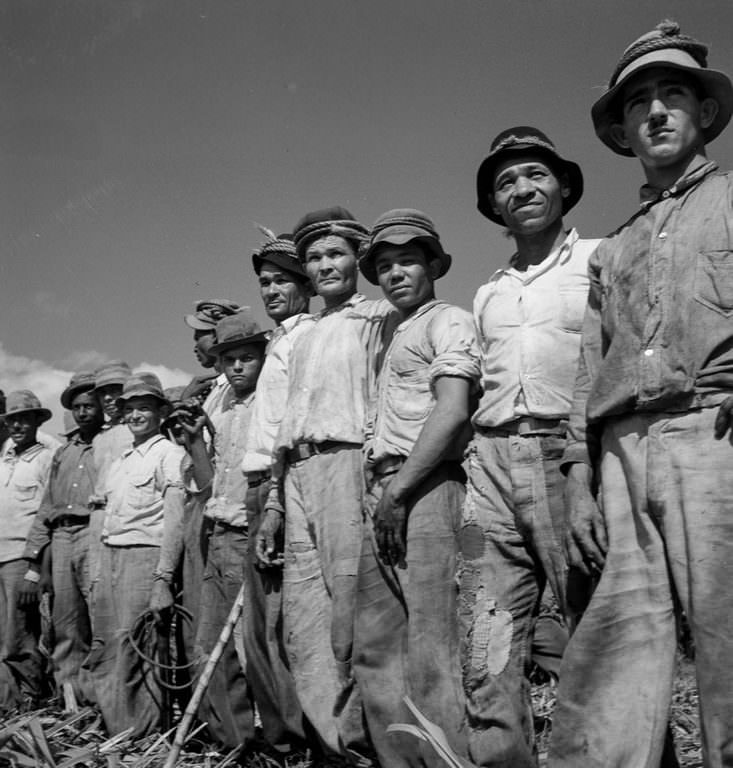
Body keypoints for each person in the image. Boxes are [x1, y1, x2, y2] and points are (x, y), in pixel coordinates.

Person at [549, 21, 733, 768]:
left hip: (712, 437)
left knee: (727, 638)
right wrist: (576, 475)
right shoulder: (613, 247)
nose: (655, 112)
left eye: (671, 95)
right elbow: (589, 367)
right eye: (638, 103)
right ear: (622, 130)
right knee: (614, 648)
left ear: (702, 113)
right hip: (621, 450)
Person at [458, 127, 600, 767]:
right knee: (490, 635)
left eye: (535, 175)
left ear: (564, 185)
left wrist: (589, 463)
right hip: (490, 462)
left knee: (594, 626)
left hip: (566, 455)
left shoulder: (601, 259)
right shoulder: (489, 292)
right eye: (506, 182)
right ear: (494, 206)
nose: (523, 189)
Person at [255, 206, 397, 765]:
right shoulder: (304, 334)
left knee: (349, 621)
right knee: (304, 628)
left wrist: (377, 476)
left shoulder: (378, 318)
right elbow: (286, 424)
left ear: (358, 258)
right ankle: (334, 749)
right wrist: (273, 502)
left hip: (347, 466)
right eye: (313, 258)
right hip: (297, 474)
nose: (324, 266)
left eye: (335, 253)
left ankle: (370, 746)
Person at [352, 209, 480, 768]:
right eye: (384, 265)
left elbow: (452, 411)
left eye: (408, 260)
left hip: (424, 487)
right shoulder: (388, 334)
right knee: (378, 647)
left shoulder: (447, 320)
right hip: (386, 490)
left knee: (433, 646)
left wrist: (399, 494)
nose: (396, 273)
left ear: (434, 265)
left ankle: (448, 758)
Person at [177, 311, 267, 752]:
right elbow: (209, 482)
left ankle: (276, 744)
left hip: (250, 533)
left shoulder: (268, 406)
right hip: (217, 532)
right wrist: (195, 442)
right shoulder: (224, 408)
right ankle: (233, 743)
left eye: (247, 358)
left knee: (252, 646)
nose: (236, 367)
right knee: (210, 642)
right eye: (228, 359)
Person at [240, 231, 313, 753]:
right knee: (260, 629)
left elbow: (289, 426)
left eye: (281, 281)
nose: (270, 291)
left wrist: (274, 498)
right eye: (264, 282)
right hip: (257, 484)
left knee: (285, 623)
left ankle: (300, 738)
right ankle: (280, 738)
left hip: (279, 483)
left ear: (306, 285)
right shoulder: (279, 341)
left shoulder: (308, 335)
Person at [88, 373, 185, 738]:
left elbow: (175, 521)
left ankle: (143, 735)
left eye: (144, 408)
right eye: (129, 409)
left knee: (137, 649)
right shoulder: (120, 461)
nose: (135, 416)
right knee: (109, 648)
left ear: (160, 412)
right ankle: (118, 731)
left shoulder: (170, 455)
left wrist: (163, 579)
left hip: (144, 558)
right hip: (111, 556)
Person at [20, 372, 104, 706]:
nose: (83, 413)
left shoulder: (110, 445)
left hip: (93, 531)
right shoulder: (64, 453)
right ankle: (73, 701)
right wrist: (35, 562)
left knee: (99, 619)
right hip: (61, 535)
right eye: (78, 407)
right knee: (66, 623)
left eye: (89, 406)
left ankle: (103, 701)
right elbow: (46, 506)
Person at [0, 391, 55, 711]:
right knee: (4, 635)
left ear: (37, 420)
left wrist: (35, 568)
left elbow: (47, 515)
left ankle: (29, 697)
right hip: (0, 554)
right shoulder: (6, 457)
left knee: (20, 635)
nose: (18, 425)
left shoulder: (47, 457)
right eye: (12, 420)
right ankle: (8, 703)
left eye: (24, 418)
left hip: (21, 558)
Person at [182, 299, 242, 418]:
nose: (195, 348)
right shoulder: (217, 387)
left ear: (215, 336)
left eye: (198, 338)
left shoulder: (235, 385)